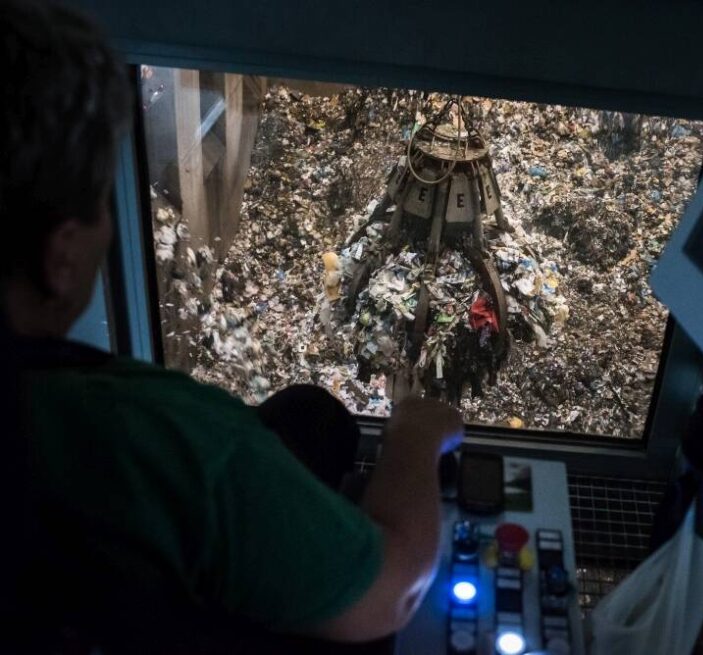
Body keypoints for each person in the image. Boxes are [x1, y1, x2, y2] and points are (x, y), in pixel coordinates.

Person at [0, 1, 461, 652]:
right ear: (61, 257)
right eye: (104, 198)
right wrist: (415, 431)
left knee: (313, 418)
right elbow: (396, 591)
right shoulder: (144, 437)